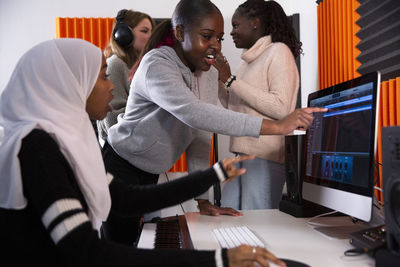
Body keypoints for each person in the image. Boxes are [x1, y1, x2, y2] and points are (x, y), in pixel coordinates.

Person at [0, 38, 287, 267]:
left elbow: (127, 197)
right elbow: (85, 252)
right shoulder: (37, 147)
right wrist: (216, 259)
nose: (111, 86)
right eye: (101, 77)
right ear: (71, 83)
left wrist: (214, 174)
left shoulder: (64, 142)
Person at [104, 0, 325, 246]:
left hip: (150, 171)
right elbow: (194, 113)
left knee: (139, 243)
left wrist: (202, 199)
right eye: (207, 36)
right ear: (179, 33)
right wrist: (276, 126)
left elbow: (199, 134)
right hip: (121, 164)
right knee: (118, 247)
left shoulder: (208, 73)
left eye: (219, 39)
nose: (215, 47)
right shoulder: (157, 64)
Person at [214, 0, 303, 210]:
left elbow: (282, 108)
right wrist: (219, 78)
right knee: (228, 217)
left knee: (258, 224)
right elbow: (233, 104)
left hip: (266, 157)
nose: (232, 32)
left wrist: (231, 81)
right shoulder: (245, 62)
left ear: (255, 22)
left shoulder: (278, 51)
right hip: (241, 153)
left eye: (236, 25)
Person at [97, 9, 155, 141]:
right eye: (145, 31)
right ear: (124, 34)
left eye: (152, 32)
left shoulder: (141, 66)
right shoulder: (115, 64)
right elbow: (112, 120)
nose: (151, 36)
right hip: (119, 151)